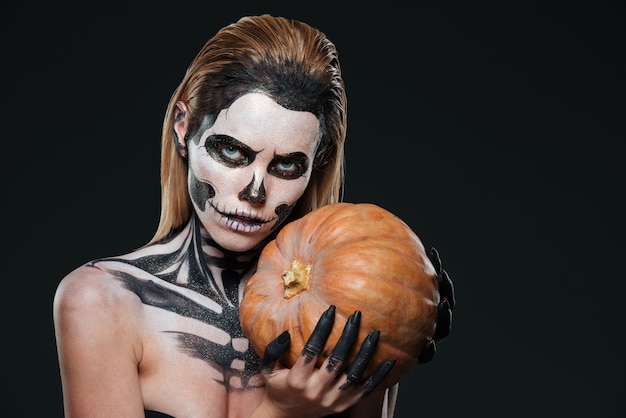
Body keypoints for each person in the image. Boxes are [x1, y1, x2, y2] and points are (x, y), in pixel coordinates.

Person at [53, 14, 455, 418]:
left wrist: (397, 326)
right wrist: (281, 412)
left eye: (285, 166)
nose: (255, 191)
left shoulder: (339, 305)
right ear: (183, 128)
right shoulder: (104, 301)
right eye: (231, 151)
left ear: (317, 164)